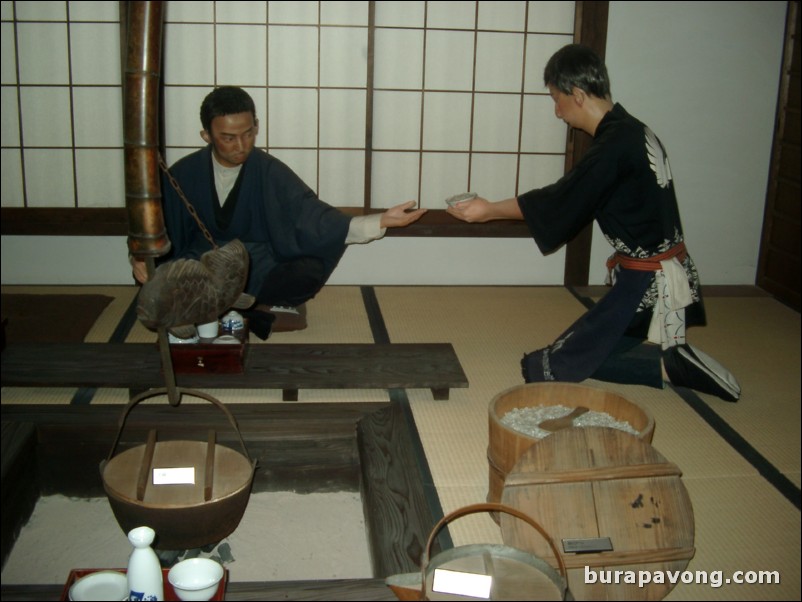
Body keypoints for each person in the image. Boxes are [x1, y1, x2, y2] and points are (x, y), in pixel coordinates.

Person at [446, 44, 740, 402]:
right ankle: (670, 352)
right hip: (666, 275)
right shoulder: (634, 130)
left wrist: (489, 209)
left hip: (647, 287)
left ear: (579, 95)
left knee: (545, 366)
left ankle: (668, 365)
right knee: (580, 352)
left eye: (557, 100)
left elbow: (563, 196)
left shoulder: (613, 146)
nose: (557, 112)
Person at [131, 86, 426, 338]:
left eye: (248, 133)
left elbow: (312, 217)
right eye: (229, 137)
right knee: (163, 281)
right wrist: (142, 258)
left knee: (307, 271)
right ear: (206, 135)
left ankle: (220, 308)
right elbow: (156, 226)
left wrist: (380, 220)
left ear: (256, 126)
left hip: (255, 264)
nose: (242, 145)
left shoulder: (268, 170)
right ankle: (233, 308)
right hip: (203, 264)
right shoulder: (184, 173)